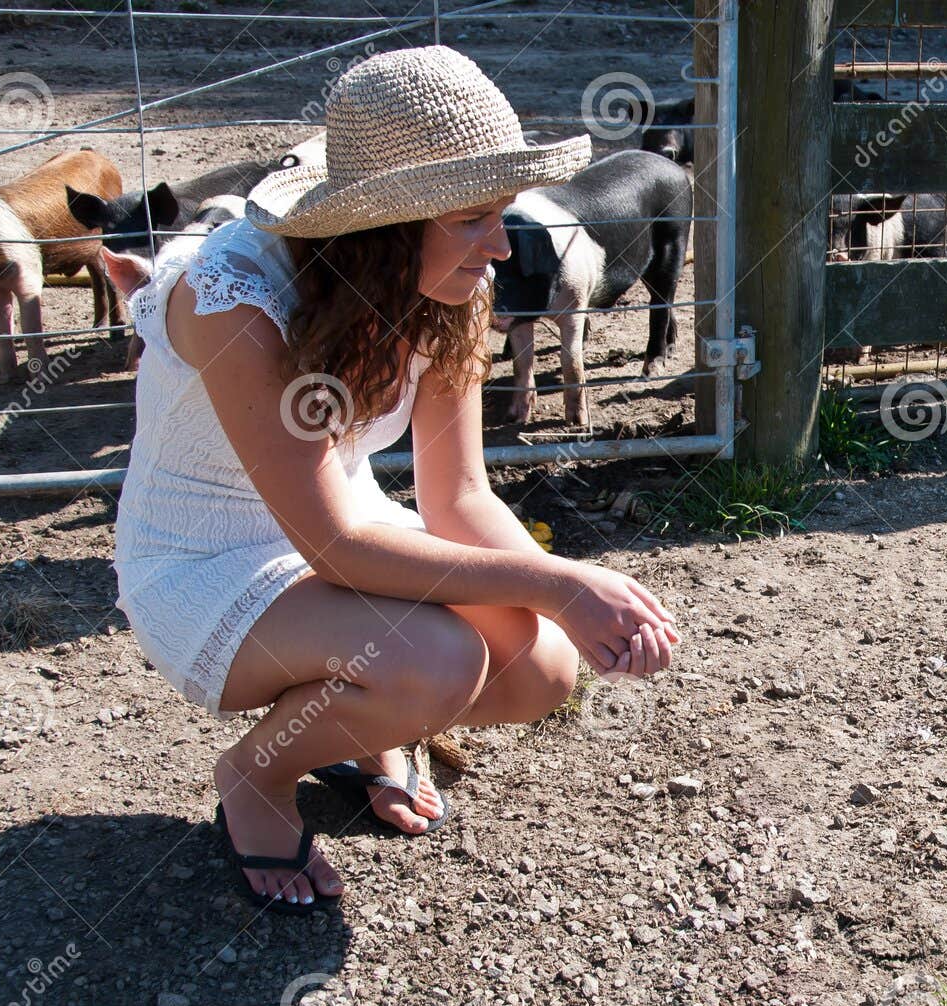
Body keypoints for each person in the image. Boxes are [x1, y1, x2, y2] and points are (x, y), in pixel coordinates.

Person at [110, 46, 681, 916]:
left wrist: (563, 601)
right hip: (203, 560)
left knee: (542, 666)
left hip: (342, 533)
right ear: (382, 226)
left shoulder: (451, 282)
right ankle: (258, 776)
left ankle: (366, 723)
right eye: (472, 217)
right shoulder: (232, 297)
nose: (502, 243)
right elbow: (334, 544)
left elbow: (458, 496)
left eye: (500, 211)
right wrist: (563, 581)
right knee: (436, 660)